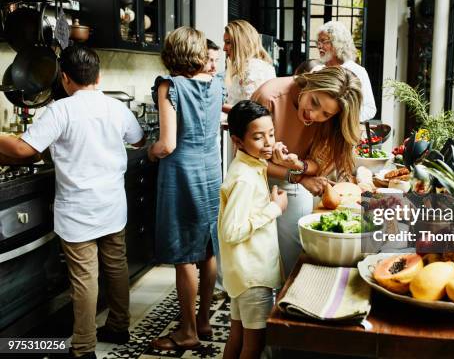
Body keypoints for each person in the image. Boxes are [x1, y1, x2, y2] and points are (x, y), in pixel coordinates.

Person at [0, 45, 146, 359]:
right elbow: (139, 139)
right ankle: (119, 327)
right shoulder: (116, 108)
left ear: (65, 79)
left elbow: (26, 150)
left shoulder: (60, 110)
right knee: (116, 266)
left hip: (79, 210)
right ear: (99, 76)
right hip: (112, 205)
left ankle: (83, 348)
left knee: (84, 278)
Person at [148, 27, 222, 350]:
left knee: (183, 255)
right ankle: (203, 321)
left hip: (181, 173)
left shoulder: (170, 86)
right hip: (211, 170)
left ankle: (187, 332)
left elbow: (167, 144)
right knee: (206, 249)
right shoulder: (217, 84)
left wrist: (150, 152)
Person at [252, 66, 362, 277]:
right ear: (311, 82)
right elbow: (249, 160)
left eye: (326, 114)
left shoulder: (331, 118)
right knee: (257, 260)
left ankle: (288, 302)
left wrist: (299, 165)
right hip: (255, 178)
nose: (313, 114)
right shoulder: (269, 97)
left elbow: (317, 163)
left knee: (295, 254)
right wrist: (299, 176)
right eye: (314, 102)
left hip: (292, 181)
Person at [218, 100, 288, 359]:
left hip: (243, 272)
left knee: (237, 337)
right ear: (237, 141)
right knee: (254, 344)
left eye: (271, 134)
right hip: (253, 276)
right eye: (258, 137)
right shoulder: (245, 178)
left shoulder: (250, 166)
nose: (268, 143)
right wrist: (275, 209)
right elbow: (231, 231)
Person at [314, 20, 377, 121]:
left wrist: (344, 121)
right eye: (318, 42)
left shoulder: (358, 71)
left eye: (324, 41)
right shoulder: (317, 70)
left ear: (338, 43)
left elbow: (370, 109)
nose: (319, 46)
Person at [222, 20, 276, 113]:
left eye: (228, 42)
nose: (224, 48)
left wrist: (217, 106)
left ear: (241, 43)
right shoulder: (251, 66)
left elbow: (252, 111)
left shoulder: (254, 69)